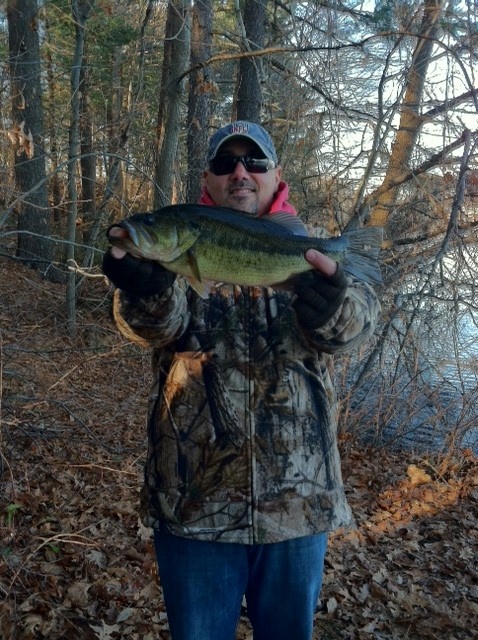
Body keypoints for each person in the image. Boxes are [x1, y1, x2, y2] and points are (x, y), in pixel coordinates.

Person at [102, 121, 381, 640]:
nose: (240, 173)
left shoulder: (310, 252)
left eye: (254, 162)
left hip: (297, 508)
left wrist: (332, 306)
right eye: (225, 163)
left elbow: (358, 324)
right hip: (194, 506)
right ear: (207, 180)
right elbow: (150, 327)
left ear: (277, 176)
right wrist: (145, 290)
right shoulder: (179, 245)